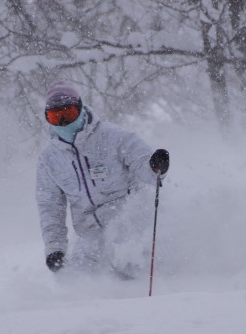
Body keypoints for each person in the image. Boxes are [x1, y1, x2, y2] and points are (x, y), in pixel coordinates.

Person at [36, 80, 170, 277]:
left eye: (69, 113)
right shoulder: (49, 159)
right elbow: (50, 207)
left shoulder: (114, 137)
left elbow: (144, 166)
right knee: (76, 282)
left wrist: (155, 166)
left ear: (81, 110)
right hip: (89, 235)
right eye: (57, 117)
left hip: (127, 224)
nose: (64, 122)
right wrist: (55, 247)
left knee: (128, 272)